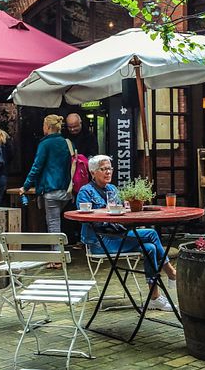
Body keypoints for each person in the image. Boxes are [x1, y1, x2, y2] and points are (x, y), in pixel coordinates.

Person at [75, 155, 177, 311]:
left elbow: (121, 214)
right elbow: (86, 219)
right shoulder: (85, 191)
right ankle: (170, 272)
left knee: (150, 248)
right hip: (99, 241)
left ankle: (154, 298)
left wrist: (126, 209)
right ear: (93, 172)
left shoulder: (113, 189)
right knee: (151, 234)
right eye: (103, 169)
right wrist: (112, 214)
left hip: (117, 236)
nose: (108, 172)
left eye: (110, 168)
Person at [19, 114, 72, 262]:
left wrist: (26, 186)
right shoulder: (67, 142)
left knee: (53, 223)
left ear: (48, 127)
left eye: (43, 125)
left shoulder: (45, 144)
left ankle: (56, 259)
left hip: (51, 189)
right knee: (57, 222)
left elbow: (37, 166)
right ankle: (58, 256)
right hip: (66, 191)